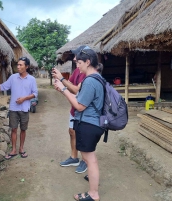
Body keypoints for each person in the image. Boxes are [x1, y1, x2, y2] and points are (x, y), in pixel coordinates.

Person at [54, 46, 104, 201]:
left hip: (88, 124)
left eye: (79, 62)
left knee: (90, 160)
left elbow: (79, 105)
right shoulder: (98, 78)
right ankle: (93, 187)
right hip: (94, 123)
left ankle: (93, 193)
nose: (77, 64)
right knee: (91, 159)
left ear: (88, 62)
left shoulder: (89, 81)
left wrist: (63, 89)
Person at [0, 57, 38, 159]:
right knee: (14, 129)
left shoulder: (31, 79)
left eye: (21, 65)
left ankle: (21, 149)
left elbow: (35, 94)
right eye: (18, 65)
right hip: (14, 108)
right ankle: (14, 150)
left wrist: (24, 98)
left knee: (23, 129)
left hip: (24, 108)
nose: (18, 67)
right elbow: (2, 86)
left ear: (26, 67)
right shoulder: (13, 78)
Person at [52, 46, 87, 174]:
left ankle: (85, 160)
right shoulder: (77, 71)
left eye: (76, 56)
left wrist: (61, 79)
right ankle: (74, 157)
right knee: (72, 131)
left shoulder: (88, 73)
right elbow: (70, 87)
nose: (74, 58)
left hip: (84, 110)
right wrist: (61, 88)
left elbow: (77, 89)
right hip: (74, 108)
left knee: (83, 135)